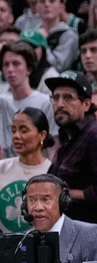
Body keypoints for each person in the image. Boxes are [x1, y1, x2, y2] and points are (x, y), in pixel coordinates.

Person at [23, 174, 97, 263]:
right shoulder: (23, 240)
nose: (38, 207)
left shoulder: (88, 234)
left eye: (45, 199)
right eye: (32, 200)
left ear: (63, 202)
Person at [0, 109, 54, 233]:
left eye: (24, 130)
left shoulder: (52, 172)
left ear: (42, 135)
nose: (16, 136)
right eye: (14, 130)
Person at [46, 71, 97, 223]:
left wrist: (65, 194)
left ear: (86, 104)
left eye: (68, 97)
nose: (60, 104)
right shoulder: (68, 138)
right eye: (55, 98)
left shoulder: (93, 135)